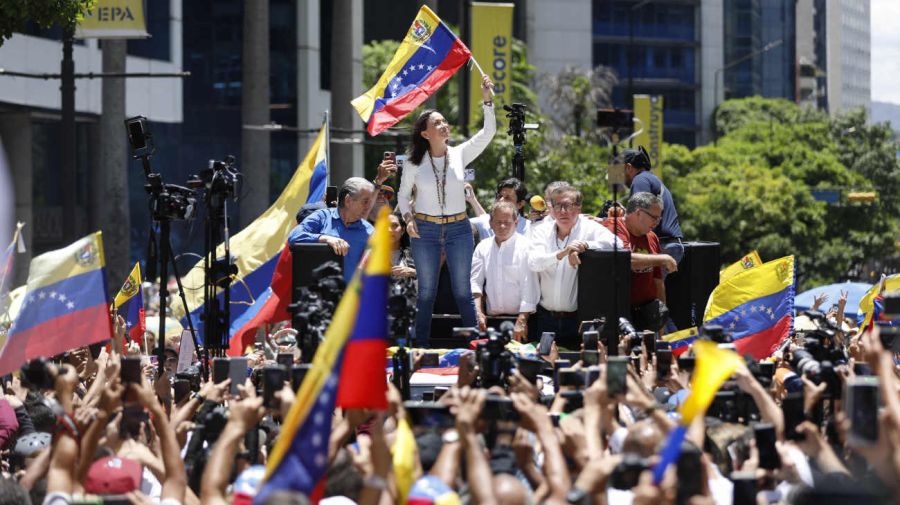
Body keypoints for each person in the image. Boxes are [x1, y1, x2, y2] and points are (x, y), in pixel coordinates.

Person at [397, 75, 496, 345]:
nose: (444, 125)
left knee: (463, 291)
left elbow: (488, 134)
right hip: (425, 228)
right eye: (436, 122)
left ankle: (476, 348)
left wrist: (487, 99)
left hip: (459, 228)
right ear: (425, 133)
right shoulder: (412, 162)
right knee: (426, 292)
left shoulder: (460, 153)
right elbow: (403, 196)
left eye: (444, 121)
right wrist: (407, 219)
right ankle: (420, 349)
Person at [527, 185, 623, 346]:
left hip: (577, 320)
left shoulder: (589, 227)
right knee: (544, 367)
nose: (562, 211)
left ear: (578, 208)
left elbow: (618, 244)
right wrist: (564, 253)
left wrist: (585, 245)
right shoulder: (541, 230)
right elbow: (534, 262)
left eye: (568, 205)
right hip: (545, 318)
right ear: (552, 208)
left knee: (576, 367)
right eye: (558, 206)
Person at [603, 192, 678, 331]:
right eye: (654, 217)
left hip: (647, 315)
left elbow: (658, 281)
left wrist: (660, 323)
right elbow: (625, 259)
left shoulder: (652, 237)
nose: (657, 222)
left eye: (659, 218)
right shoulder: (614, 227)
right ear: (638, 213)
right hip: (620, 315)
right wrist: (663, 258)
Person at [470, 201, 539, 342]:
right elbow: (475, 282)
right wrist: (478, 312)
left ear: (516, 222)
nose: (502, 226)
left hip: (521, 320)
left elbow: (530, 286)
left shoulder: (527, 247)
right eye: (498, 222)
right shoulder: (482, 247)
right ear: (490, 223)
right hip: (490, 320)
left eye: (507, 222)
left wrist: (522, 320)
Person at [287, 177, 375, 283]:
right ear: (348, 200)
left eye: (370, 202)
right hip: (321, 295)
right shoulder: (322, 217)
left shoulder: (370, 232)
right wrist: (324, 239)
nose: (369, 207)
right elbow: (293, 237)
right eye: (365, 201)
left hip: (353, 297)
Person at [622, 146, 684, 269]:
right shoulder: (649, 178)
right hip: (669, 244)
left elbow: (637, 214)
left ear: (628, 167)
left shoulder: (640, 179)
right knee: (654, 286)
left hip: (663, 244)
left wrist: (607, 221)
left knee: (642, 285)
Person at [388, 212, 415, 279]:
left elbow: (429, 275)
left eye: (394, 225)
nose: (389, 230)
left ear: (403, 230)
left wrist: (414, 272)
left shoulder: (415, 253)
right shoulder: (372, 254)